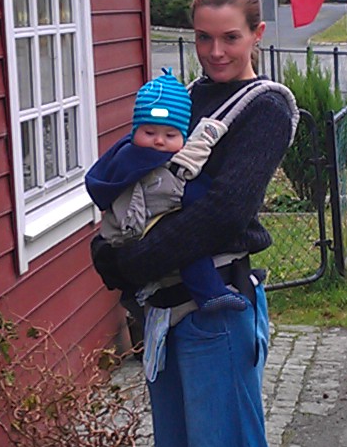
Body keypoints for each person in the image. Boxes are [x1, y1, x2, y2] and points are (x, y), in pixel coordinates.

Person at [90, 0, 299, 447]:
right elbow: (134, 182)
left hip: (216, 317)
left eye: (230, 37)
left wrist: (127, 264)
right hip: (164, 318)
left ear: (256, 35)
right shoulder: (183, 99)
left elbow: (223, 213)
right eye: (204, 37)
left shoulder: (264, 107)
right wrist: (109, 244)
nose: (215, 51)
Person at [85, 68, 240, 313]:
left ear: (183, 137)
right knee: (188, 246)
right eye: (149, 132)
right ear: (135, 131)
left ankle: (136, 300)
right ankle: (211, 294)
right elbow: (192, 194)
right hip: (137, 231)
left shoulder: (119, 159)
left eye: (170, 135)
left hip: (125, 239)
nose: (159, 141)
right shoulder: (143, 161)